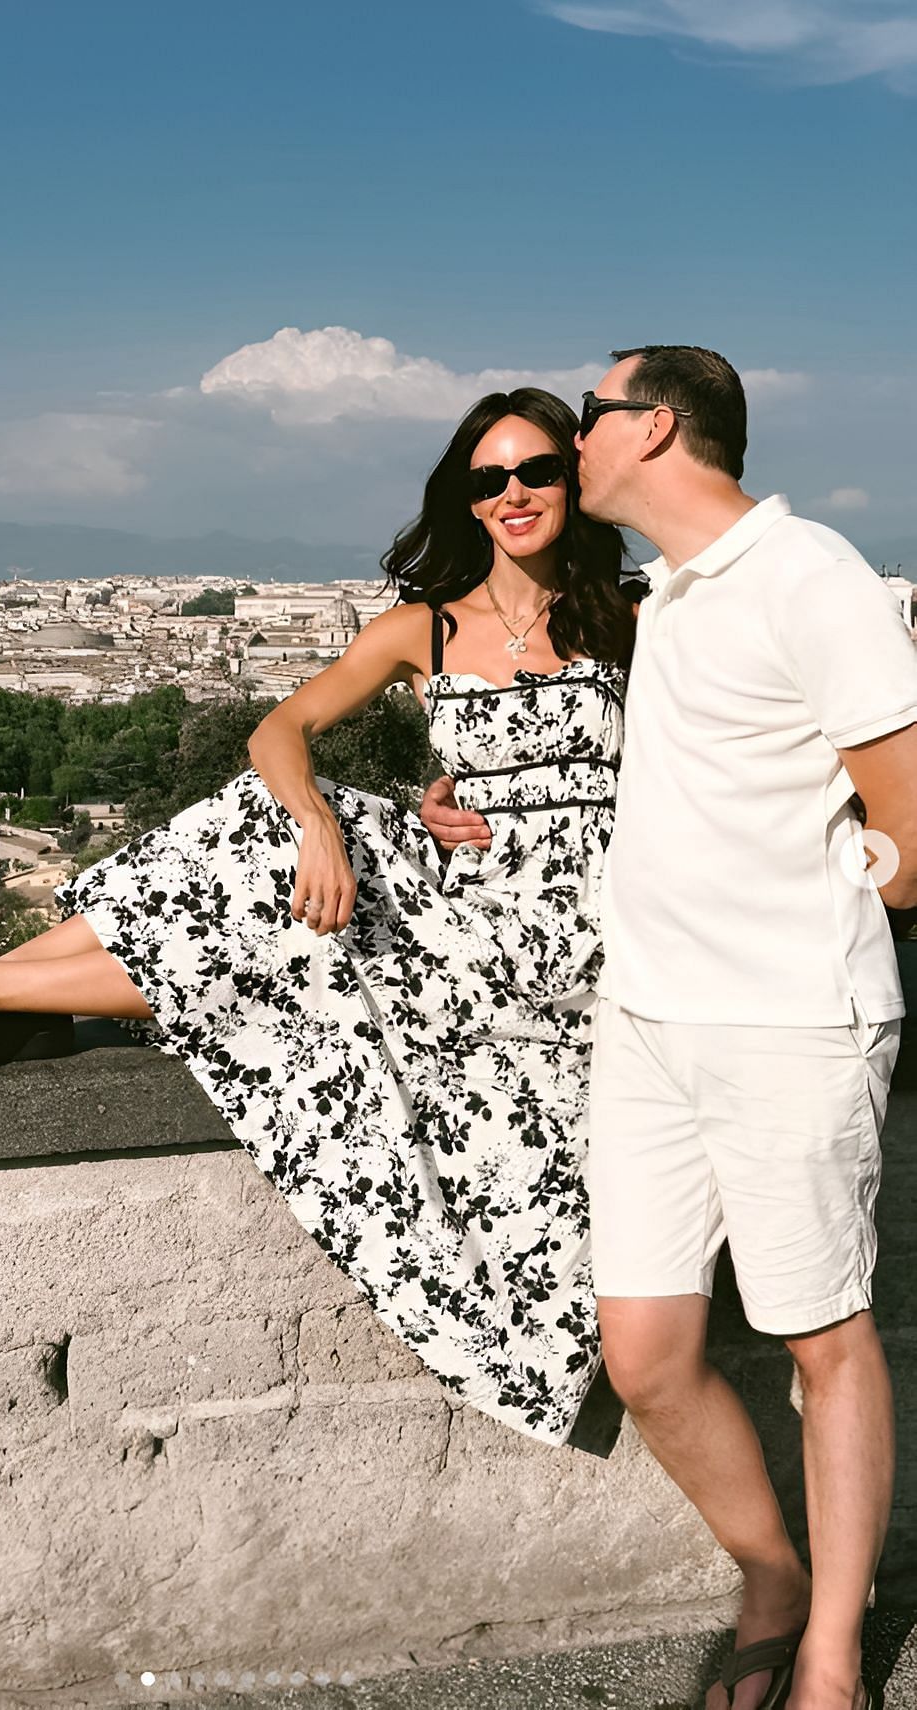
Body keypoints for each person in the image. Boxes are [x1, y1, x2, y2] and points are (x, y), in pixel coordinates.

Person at [0, 385, 637, 1447]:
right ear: (462, 500)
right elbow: (279, 731)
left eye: (537, 471)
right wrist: (319, 818)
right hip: (466, 891)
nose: (514, 493)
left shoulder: (637, 621)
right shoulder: (426, 628)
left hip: (573, 933)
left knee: (280, 911)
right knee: (260, 826)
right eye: (487, 478)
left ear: (576, 480)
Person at [419, 346, 917, 1710]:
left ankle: (828, 1647)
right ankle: (773, 1573)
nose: (567, 448)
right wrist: (446, 802)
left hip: (785, 1020)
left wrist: (798, 901)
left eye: (584, 422)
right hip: (644, 1023)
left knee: (824, 1336)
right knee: (642, 1352)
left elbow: (909, 831)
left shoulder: (813, 578)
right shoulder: (666, 598)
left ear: (652, 429)